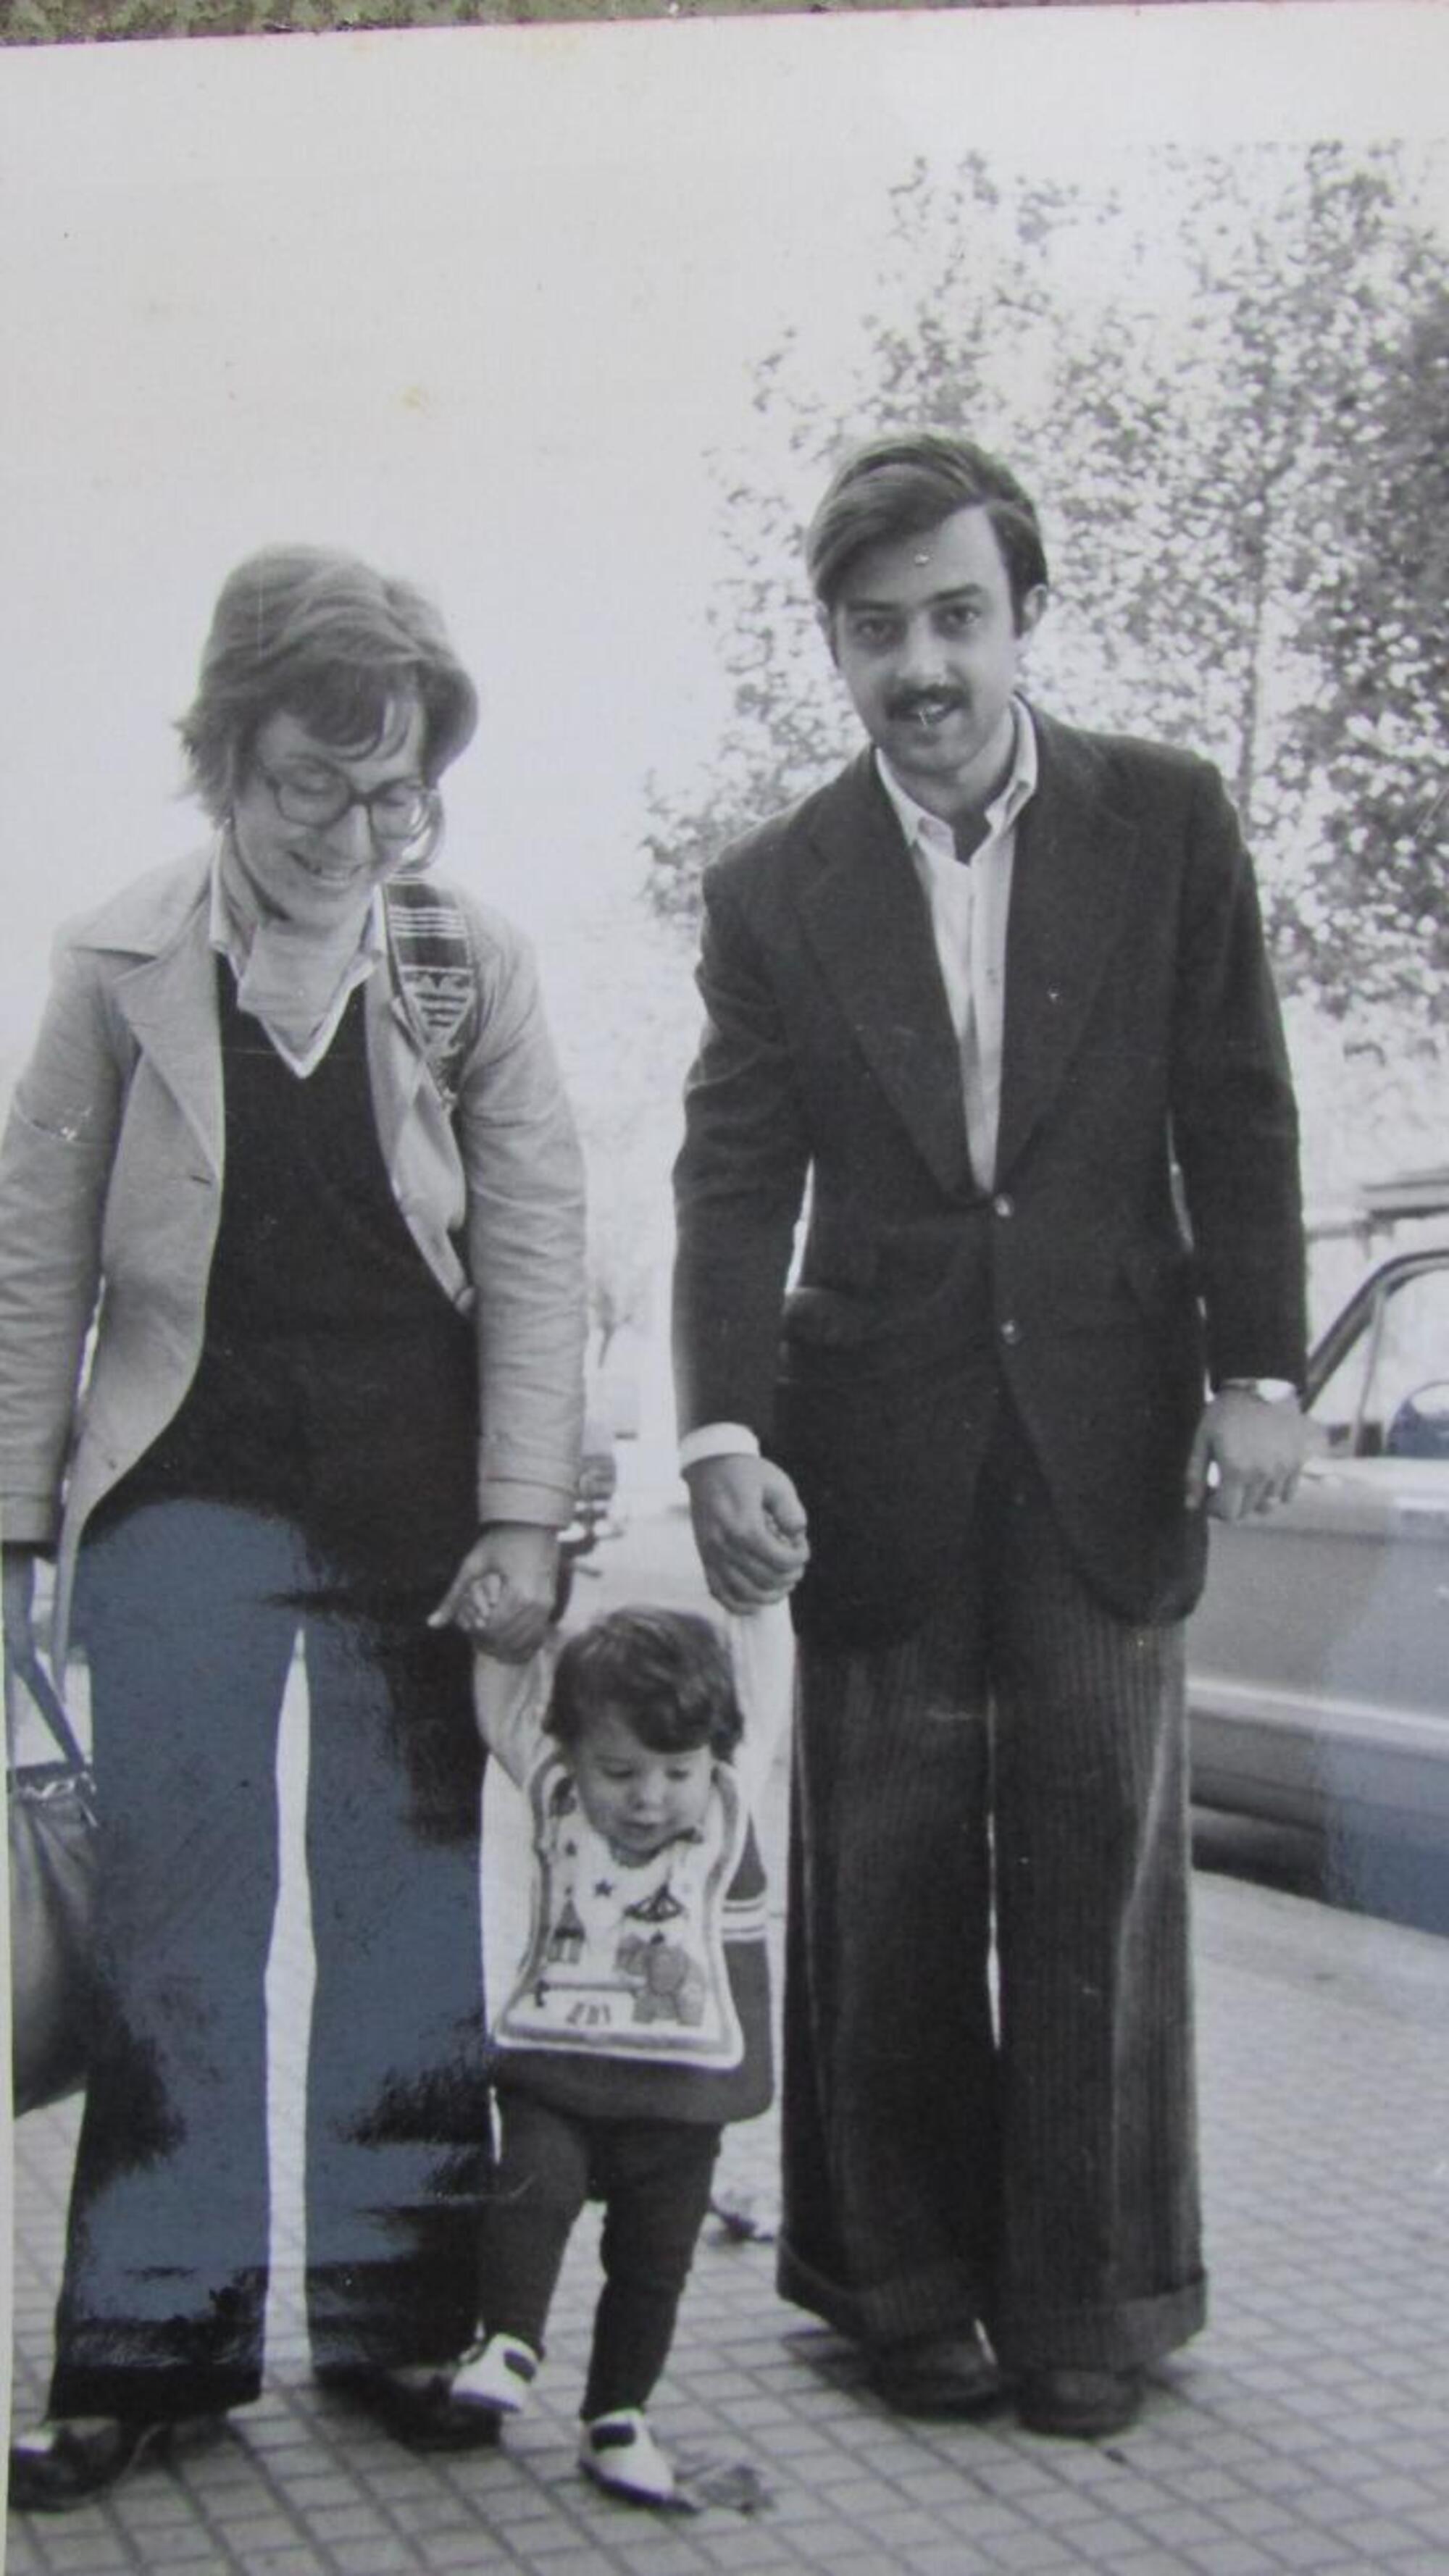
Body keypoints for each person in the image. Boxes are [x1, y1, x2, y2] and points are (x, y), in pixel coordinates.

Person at [671, 432, 1311, 2440]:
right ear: (837, 653)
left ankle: (1093, 2297)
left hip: (1116, 1423)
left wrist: (1265, 1370)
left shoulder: (1171, 819)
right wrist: (719, 1433)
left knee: (1099, 1863)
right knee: (888, 1861)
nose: (923, 667)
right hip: (876, 1438)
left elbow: (1243, 1102)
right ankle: (898, 2283)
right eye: (879, 634)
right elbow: (727, 1177)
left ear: (1025, 613)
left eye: (958, 616)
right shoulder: (779, 887)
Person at [0, 546, 588, 2508]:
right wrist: (14, 1527)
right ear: (222, 761)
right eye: (307, 786)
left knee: (410, 1916)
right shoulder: (112, 964)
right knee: (179, 1924)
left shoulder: (469, 961)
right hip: (184, 1488)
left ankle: (403, 2323)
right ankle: (152, 2349)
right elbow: (35, 1262)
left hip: (419, 1504)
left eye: (393, 789)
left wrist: (521, 1517)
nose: (353, 829)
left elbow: (532, 1237)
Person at [457, 1602, 791, 2502]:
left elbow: (766, 1673)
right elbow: (502, 1707)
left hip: (680, 2090)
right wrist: (506, 1631)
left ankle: (617, 2417)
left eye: (674, 1771)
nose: (648, 1798)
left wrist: (760, 1596)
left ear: (712, 1758)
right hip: (555, 2067)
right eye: (619, 1771)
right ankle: (509, 2339)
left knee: (652, 2264)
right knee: (531, 2188)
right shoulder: (552, 1790)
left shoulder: (726, 1797)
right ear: (569, 1754)